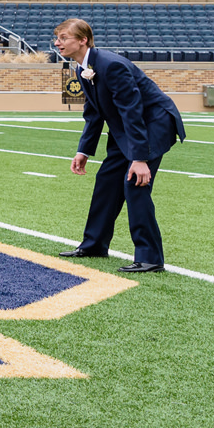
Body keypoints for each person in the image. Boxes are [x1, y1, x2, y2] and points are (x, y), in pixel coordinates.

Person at [54, 17, 185, 274]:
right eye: (56, 38)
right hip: (126, 128)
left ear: (83, 40)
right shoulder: (82, 67)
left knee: (134, 184)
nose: (57, 43)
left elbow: (133, 110)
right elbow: (94, 112)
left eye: (63, 38)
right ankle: (94, 245)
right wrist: (83, 151)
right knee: (107, 181)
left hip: (153, 125)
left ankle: (150, 258)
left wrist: (139, 158)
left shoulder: (111, 65)